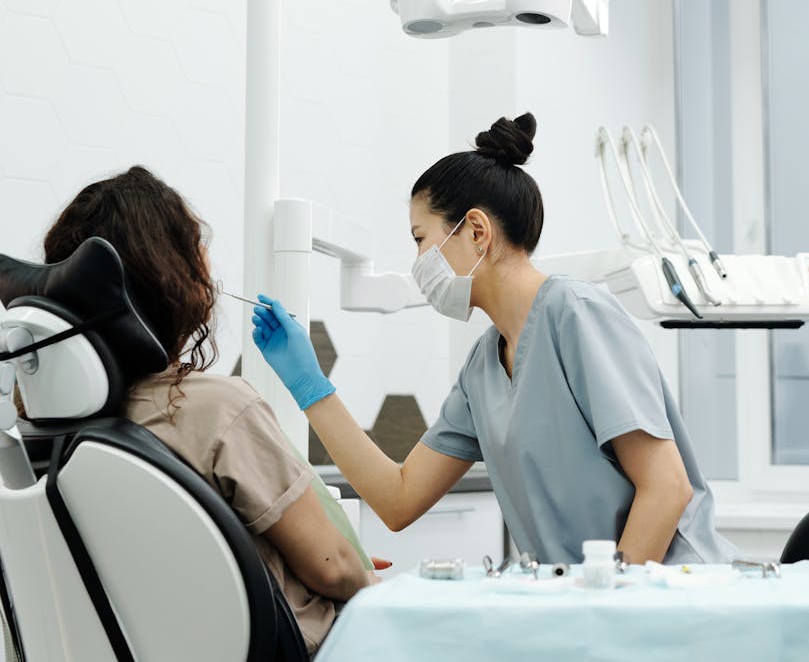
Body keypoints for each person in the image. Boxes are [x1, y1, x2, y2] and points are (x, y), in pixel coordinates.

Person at [252, 113, 738, 566]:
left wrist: (604, 607)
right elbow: (398, 500)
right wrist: (309, 386)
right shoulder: (484, 366)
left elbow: (667, 487)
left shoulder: (577, 314)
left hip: (666, 592)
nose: (418, 261)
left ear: (477, 231)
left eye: (421, 240)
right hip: (583, 605)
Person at [41, 166, 377, 657]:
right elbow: (332, 567)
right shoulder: (217, 410)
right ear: (171, 280)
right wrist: (387, 595)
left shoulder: (43, 426)